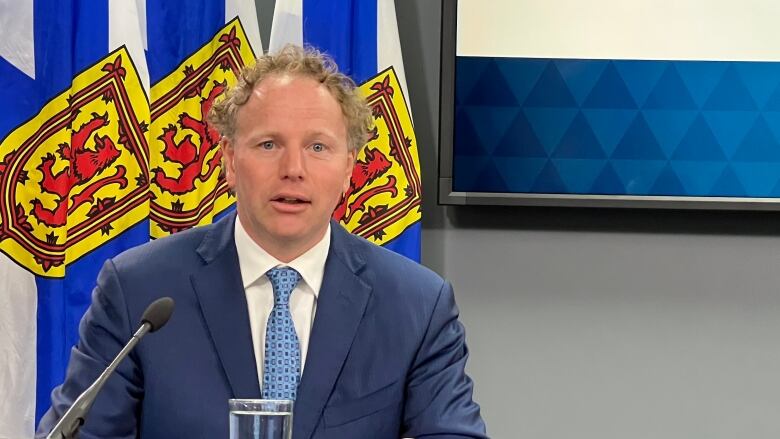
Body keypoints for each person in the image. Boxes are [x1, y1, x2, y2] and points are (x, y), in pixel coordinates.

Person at [37, 45, 487, 438]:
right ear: (230, 161)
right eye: (269, 144)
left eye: (317, 147)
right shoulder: (139, 291)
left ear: (349, 168)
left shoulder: (415, 305)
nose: (293, 168)